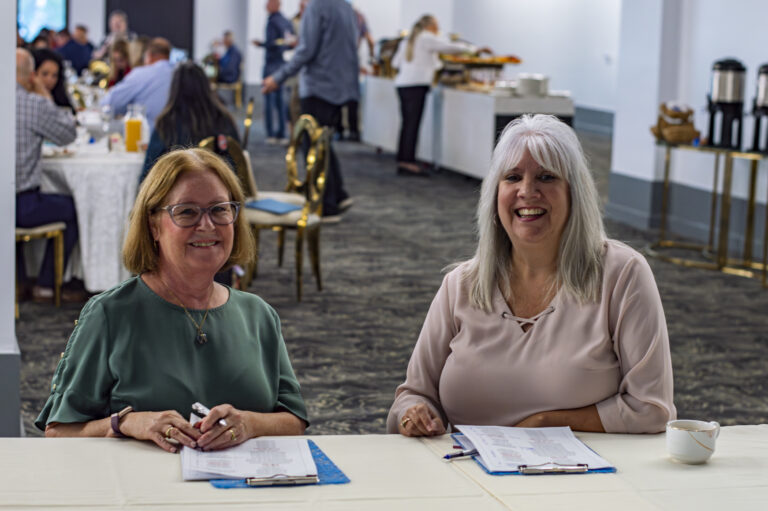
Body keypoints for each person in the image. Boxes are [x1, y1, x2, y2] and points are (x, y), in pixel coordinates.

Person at [387, 115, 676, 436]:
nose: (527, 191)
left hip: (583, 466)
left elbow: (650, 408)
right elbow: (412, 395)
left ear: (574, 193)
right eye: (512, 177)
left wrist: (545, 423)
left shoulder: (622, 275)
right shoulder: (461, 285)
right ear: (494, 194)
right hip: (468, 465)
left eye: (546, 177)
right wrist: (413, 415)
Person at [36, 148, 308, 451]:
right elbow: (59, 432)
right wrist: (125, 423)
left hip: (245, 481)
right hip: (142, 481)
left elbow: (294, 420)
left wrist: (250, 423)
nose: (207, 225)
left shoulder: (259, 314)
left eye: (219, 209)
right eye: (187, 211)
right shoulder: (110, 314)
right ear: (153, 226)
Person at [262, 0, 358, 221]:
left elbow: (306, 50)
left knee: (313, 147)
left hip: (318, 87)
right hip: (340, 87)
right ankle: (338, 195)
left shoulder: (316, 6)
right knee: (323, 142)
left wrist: (277, 77)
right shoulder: (345, 5)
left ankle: (326, 205)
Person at [15, 48, 79, 302]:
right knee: (74, 208)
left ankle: (18, 282)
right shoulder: (33, 104)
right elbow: (68, 134)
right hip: (22, 204)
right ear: (32, 75)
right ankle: (46, 284)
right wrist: (45, 97)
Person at [391, 15, 488, 177]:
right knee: (412, 125)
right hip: (416, 85)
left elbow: (395, 63)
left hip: (402, 85)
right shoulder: (426, 37)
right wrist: (474, 49)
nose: (438, 28)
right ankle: (408, 162)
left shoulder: (408, 40)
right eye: (436, 25)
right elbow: (449, 47)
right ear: (429, 26)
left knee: (407, 124)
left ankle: (403, 160)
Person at [142, 62, 240, 181]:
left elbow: (148, 173)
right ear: (206, 86)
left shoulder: (166, 124)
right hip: (219, 188)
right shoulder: (223, 119)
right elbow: (237, 162)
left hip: (178, 189)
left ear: (175, 89)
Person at [100, 37, 175, 131]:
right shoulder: (178, 74)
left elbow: (108, 105)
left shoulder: (141, 74)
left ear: (149, 56)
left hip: (146, 136)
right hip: (178, 138)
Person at [253, 0, 295, 144]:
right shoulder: (286, 22)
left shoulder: (273, 22)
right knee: (281, 101)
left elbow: (272, 43)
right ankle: (282, 134)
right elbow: (291, 42)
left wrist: (261, 44)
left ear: (275, 4)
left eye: (268, 3)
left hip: (271, 65)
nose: (266, 6)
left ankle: (271, 134)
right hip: (282, 66)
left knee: (269, 100)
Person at [32, 49, 76, 113]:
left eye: (54, 75)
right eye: (45, 74)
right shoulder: (27, 99)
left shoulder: (59, 97)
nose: (49, 80)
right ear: (34, 74)